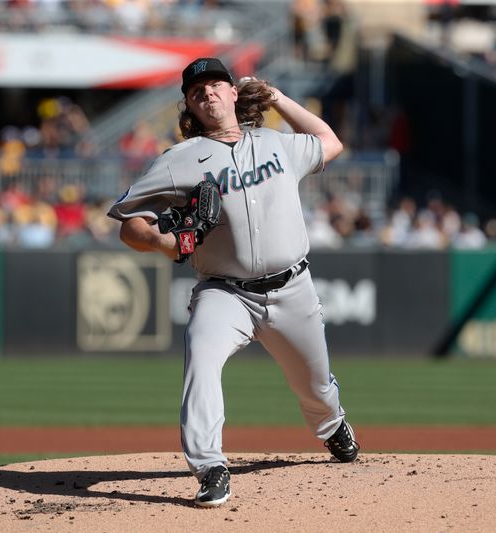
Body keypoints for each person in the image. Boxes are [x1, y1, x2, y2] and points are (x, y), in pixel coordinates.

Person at [107, 57, 360, 508]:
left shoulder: (275, 142)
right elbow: (129, 225)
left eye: (215, 84)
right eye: (195, 89)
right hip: (224, 291)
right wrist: (167, 244)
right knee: (201, 359)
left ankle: (331, 426)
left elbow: (331, 141)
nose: (206, 92)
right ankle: (209, 466)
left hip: (292, 288)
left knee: (316, 388)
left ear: (233, 93)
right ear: (188, 104)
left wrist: (278, 98)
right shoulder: (177, 161)